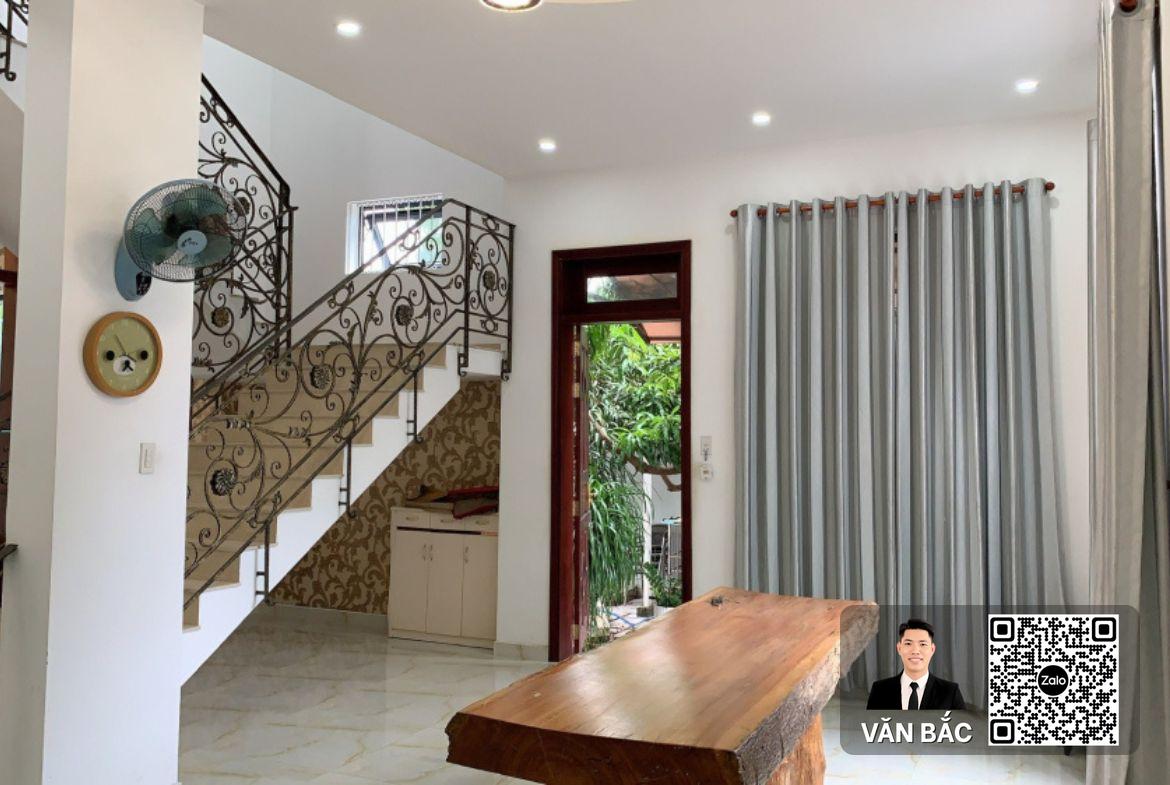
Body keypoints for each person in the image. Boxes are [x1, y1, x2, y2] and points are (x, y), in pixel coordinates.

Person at [866, 618, 965, 711]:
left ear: (932, 649)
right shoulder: (880, 690)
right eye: (908, 644)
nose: (915, 651)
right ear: (899, 648)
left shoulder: (950, 692)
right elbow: (870, 723)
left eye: (923, 644)